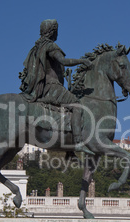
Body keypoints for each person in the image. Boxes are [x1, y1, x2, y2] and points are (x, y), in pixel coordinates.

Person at [19, 19, 94, 155]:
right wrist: (82, 61)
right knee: (77, 105)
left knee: (65, 109)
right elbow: (63, 61)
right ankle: (77, 143)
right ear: (53, 31)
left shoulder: (36, 47)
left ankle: (69, 151)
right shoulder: (50, 46)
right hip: (51, 87)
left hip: (40, 87)